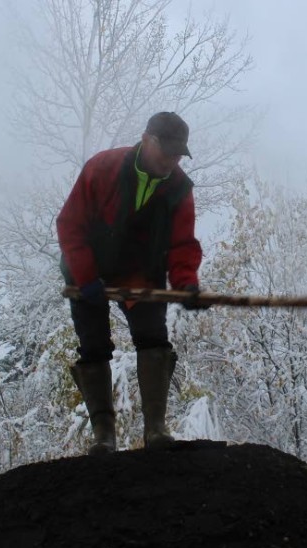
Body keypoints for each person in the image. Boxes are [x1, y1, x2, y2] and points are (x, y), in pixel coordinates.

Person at [57, 112, 206, 455]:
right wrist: (86, 277)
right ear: (146, 139)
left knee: (154, 339)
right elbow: (70, 224)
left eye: (178, 154)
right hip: (87, 267)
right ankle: (103, 436)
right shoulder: (102, 168)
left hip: (141, 272)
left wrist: (186, 284)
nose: (172, 160)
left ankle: (155, 429)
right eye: (166, 150)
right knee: (93, 346)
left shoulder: (179, 188)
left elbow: (182, 243)